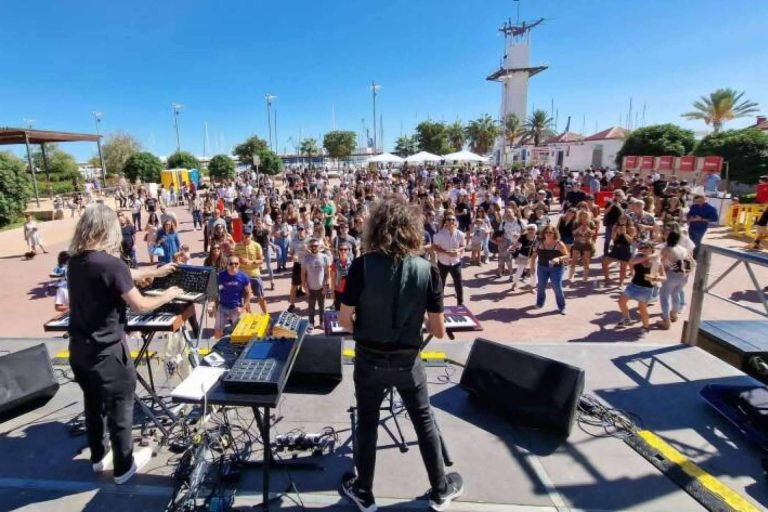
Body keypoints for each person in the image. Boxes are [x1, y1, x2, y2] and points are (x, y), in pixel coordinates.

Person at [338, 196, 463, 512]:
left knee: (367, 421)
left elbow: (343, 319)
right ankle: (440, 488)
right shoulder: (428, 270)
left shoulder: (361, 265)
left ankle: (364, 492)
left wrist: (367, 328)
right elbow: (436, 330)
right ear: (411, 229)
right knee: (423, 419)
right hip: (408, 361)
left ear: (375, 229)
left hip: (368, 358)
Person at [67, 203, 182, 485]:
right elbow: (141, 306)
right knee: (120, 408)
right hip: (108, 354)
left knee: (93, 406)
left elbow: (118, 278)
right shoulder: (112, 264)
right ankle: (123, 468)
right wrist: (169, 294)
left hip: (79, 351)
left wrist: (157, 270)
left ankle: (97, 458)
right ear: (109, 228)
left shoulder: (75, 262)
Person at [616, 241, 665, 331]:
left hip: (646, 288)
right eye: (642, 248)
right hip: (634, 285)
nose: (644, 249)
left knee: (642, 308)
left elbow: (664, 278)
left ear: (651, 248)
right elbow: (631, 262)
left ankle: (645, 327)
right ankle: (627, 318)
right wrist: (648, 256)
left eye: (646, 247)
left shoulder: (657, 262)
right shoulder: (637, 257)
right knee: (621, 302)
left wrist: (654, 278)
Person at [655, 224, 694, 329]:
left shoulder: (667, 249)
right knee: (675, 293)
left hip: (672, 275)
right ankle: (674, 314)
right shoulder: (683, 248)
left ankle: (666, 321)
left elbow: (660, 263)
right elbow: (692, 261)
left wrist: (656, 273)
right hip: (684, 275)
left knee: (664, 296)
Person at [208, 255, 252, 338]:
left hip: (236, 308)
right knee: (217, 331)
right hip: (223, 307)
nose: (234, 266)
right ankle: (217, 348)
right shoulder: (220, 276)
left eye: (236, 264)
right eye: (231, 264)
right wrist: (212, 304)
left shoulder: (243, 277)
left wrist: (243, 308)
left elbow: (249, 293)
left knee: (238, 333)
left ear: (239, 264)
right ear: (227, 265)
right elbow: (213, 291)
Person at [531, 224, 569, 314]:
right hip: (542, 268)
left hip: (557, 269)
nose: (548, 234)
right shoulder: (539, 243)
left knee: (557, 287)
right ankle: (540, 303)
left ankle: (562, 307)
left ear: (554, 233)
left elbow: (567, 255)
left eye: (550, 232)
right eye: (546, 232)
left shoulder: (559, 243)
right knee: (541, 286)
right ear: (543, 233)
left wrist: (558, 258)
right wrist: (532, 267)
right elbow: (533, 256)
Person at [432, 213, 466, 306]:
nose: (451, 221)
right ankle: (439, 305)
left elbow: (463, 245)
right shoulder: (440, 234)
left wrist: (458, 250)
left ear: (456, 222)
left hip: (456, 263)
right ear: (445, 222)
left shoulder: (460, 234)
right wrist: (446, 252)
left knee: (458, 284)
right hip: (443, 263)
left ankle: (460, 304)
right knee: (441, 285)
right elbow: (434, 247)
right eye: (449, 219)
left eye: (453, 220)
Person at [234, 230, 268, 314]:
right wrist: (239, 260)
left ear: (251, 236)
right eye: (245, 235)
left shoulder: (256, 246)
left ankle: (266, 314)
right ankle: (250, 315)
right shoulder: (237, 246)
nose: (246, 237)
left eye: (248, 236)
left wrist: (251, 262)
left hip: (254, 274)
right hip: (242, 276)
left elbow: (261, 260)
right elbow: (234, 260)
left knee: (260, 296)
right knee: (246, 297)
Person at [301, 237, 332, 328]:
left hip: (321, 287)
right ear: (309, 247)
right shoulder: (306, 258)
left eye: (316, 246)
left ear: (319, 247)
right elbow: (303, 273)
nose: (314, 247)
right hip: (310, 287)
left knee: (322, 307)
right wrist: (304, 286)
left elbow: (327, 273)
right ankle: (311, 322)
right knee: (311, 307)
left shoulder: (325, 257)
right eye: (312, 246)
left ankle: (322, 322)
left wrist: (326, 286)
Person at [686, 192, 719, 258]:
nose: (698, 202)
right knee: (690, 241)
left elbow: (714, 219)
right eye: (697, 201)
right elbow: (689, 215)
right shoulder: (694, 206)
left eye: (700, 201)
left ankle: (694, 257)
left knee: (696, 242)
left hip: (701, 228)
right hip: (692, 226)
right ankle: (689, 256)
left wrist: (701, 219)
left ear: (704, 199)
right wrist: (691, 218)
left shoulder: (711, 208)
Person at [331, 241, 353, 311]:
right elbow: (333, 278)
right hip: (338, 291)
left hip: (349, 291)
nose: (343, 251)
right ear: (338, 251)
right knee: (338, 311)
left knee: (349, 312)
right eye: (341, 249)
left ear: (349, 251)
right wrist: (332, 292)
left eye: (345, 249)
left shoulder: (353, 263)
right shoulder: (335, 263)